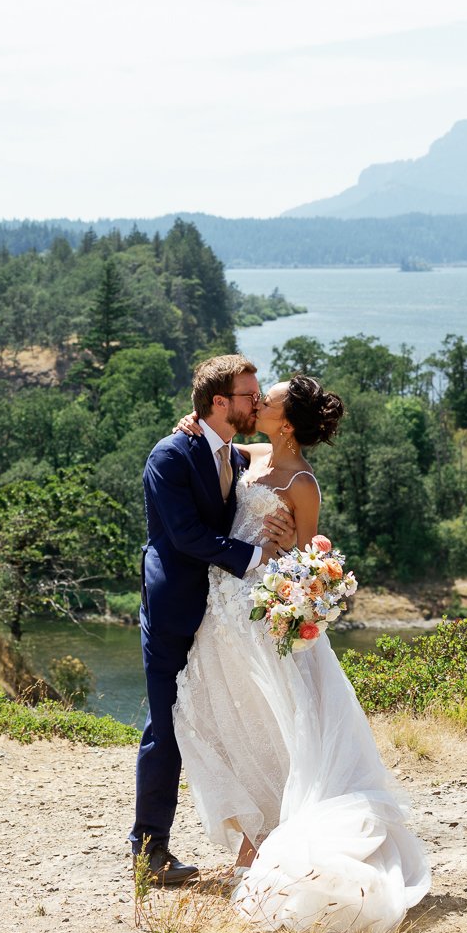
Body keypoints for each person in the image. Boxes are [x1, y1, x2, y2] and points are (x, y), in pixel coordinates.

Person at [170, 372, 431, 933]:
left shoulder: (304, 482)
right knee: (223, 719)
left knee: (273, 725)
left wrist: (290, 555)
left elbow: (308, 559)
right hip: (222, 603)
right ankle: (252, 838)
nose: (258, 401)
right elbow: (218, 441)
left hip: (259, 613)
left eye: (269, 398)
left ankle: (268, 844)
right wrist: (192, 424)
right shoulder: (254, 450)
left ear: (286, 420)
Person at [129, 353, 293, 887]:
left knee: (229, 722)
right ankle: (149, 853)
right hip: (175, 610)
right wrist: (258, 560)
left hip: (222, 619)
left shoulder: (234, 455)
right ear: (219, 402)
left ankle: (261, 832)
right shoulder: (170, 456)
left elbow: (284, 452)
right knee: (166, 731)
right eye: (250, 395)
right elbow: (186, 538)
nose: (259, 401)